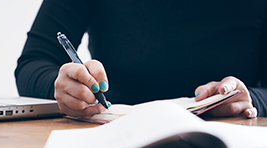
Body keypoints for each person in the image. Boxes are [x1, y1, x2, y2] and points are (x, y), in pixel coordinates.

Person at [15, 0, 267, 118]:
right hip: (114, 138)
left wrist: (250, 99)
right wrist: (67, 88)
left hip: (232, 146)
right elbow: (34, 61)